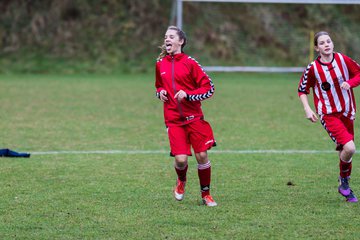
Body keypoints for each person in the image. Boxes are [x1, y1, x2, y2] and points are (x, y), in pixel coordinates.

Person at [155, 26, 217, 206]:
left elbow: (209, 88)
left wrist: (188, 95)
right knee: (181, 160)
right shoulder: (160, 64)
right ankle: (181, 181)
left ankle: (206, 194)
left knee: (202, 156)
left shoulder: (190, 63)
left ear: (180, 41)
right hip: (173, 120)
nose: (167, 39)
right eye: (166, 36)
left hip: (194, 118)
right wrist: (160, 93)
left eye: (171, 36)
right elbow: (158, 86)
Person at [298, 31, 360, 202]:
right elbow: (302, 89)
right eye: (322, 43)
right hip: (328, 114)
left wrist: (350, 83)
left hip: (348, 112)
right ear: (317, 48)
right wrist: (307, 109)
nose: (327, 44)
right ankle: (344, 182)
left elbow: (359, 74)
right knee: (350, 148)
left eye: (329, 41)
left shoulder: (342, 59)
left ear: (332, 44)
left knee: (346, 151)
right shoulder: (313, 68)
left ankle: (344, 184)